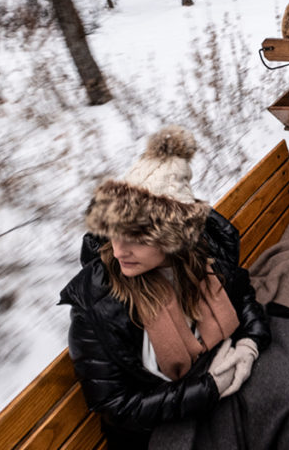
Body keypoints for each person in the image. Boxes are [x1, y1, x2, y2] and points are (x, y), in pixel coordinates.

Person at [60, 126, 270, 450]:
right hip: (157, 432)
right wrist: (207, 389)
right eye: (115, 233)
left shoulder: (204, 257)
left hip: (220, 382)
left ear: (174, 239)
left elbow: (245, 300)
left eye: (137, 239)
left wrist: (249, 345)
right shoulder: (97, 305)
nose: (118, 251)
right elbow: (117, 406)